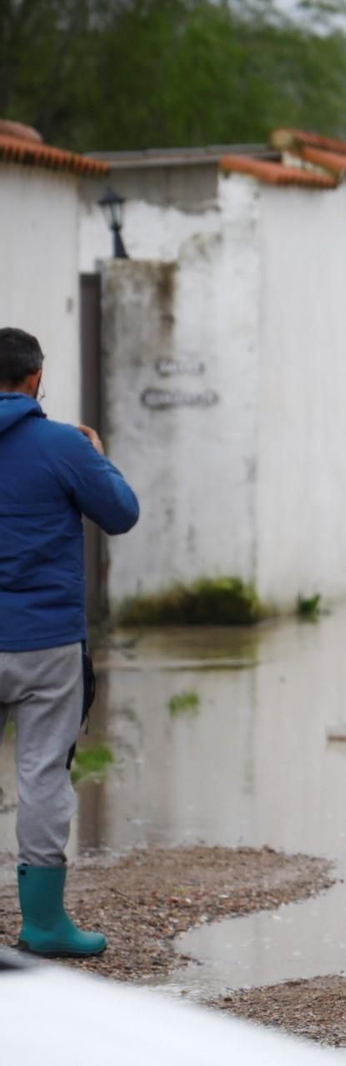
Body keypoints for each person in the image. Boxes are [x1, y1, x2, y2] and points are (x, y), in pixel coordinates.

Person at [0, 326, 139, 958]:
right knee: (42, 776)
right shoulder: (61, 445)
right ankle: (43, 923)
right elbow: (121, 512)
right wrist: (97, 456)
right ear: (35, 377)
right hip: (44, 643)